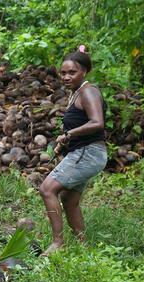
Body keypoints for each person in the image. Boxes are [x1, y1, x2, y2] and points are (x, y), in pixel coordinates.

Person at [38, 50, 107, 255]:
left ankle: (58, 244)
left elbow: (97, 123)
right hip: (84, 152)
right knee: (69, 199)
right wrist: (64, 144)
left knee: (47, 189)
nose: (66, 77)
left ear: (84, 71)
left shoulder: (89, 92)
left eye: (72, 72)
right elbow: (82, 123)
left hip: (89, 153)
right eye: (63, 73)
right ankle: (82, 245)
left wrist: (68, 135)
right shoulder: (77, 92)